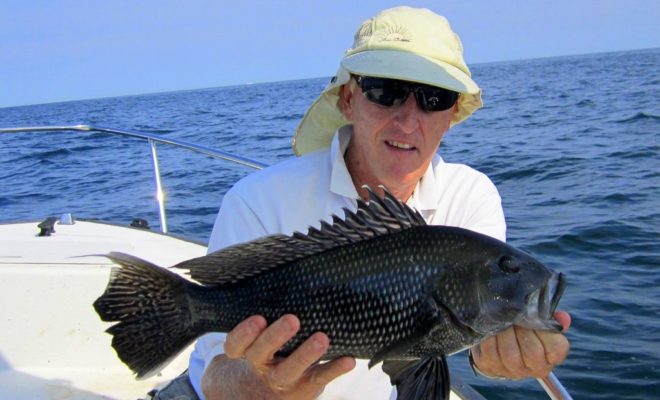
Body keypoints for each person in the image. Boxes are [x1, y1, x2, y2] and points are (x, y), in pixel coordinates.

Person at [176, 6, 570, 400]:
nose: (407, 119)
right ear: (349, 99)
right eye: (386, 90)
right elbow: (216, 375)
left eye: (435, 97)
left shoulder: (471, 196)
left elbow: (475, 333)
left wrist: (497, 358)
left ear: (451, 115)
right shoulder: (257, 200)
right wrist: (256, 386)